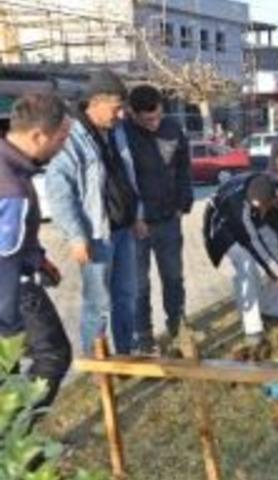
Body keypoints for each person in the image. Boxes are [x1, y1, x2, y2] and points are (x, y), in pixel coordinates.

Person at [46, 69, 139, 356]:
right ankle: (96, 364)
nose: (121, 115)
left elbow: (127, 175)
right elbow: (59, 192)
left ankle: (126, 354)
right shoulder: (71, 138)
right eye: (116, 108)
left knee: (126, 297)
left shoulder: (117, 132)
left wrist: (137, 214)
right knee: (97, 305)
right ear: (96, 102)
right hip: (97, 236)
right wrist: (75, 236)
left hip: (124, 230)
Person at [0, 93, 72, 413]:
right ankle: (17, 442)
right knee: (52, 355)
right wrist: (10, 331)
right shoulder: (11, 187)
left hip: (21, 272)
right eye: (61, 137)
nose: (63, 146)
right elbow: (4, 262)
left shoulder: (10, 165)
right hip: (12, 290)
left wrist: (39, 258)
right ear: (37, 135)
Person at [114, 84, 193, 354]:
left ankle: (178, 328)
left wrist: (184, 202)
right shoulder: (121, 135)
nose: (155, 123)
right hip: (137, 226)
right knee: (139, 285)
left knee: (173, 277)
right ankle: (145, 338)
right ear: (132, 114)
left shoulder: (172, 129)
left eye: (158, 116)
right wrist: (132, 216)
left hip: (169, 219)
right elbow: (120, 180)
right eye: (148, 119)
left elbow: (183, 167)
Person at [203, 173, 278, 355]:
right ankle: (253, 330)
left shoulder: (275, 186)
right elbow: (254, 245)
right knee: (247, 266)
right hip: (223, 229)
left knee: (275, 250)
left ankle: (272, 311)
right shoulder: (237, 207)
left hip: (253, 221)